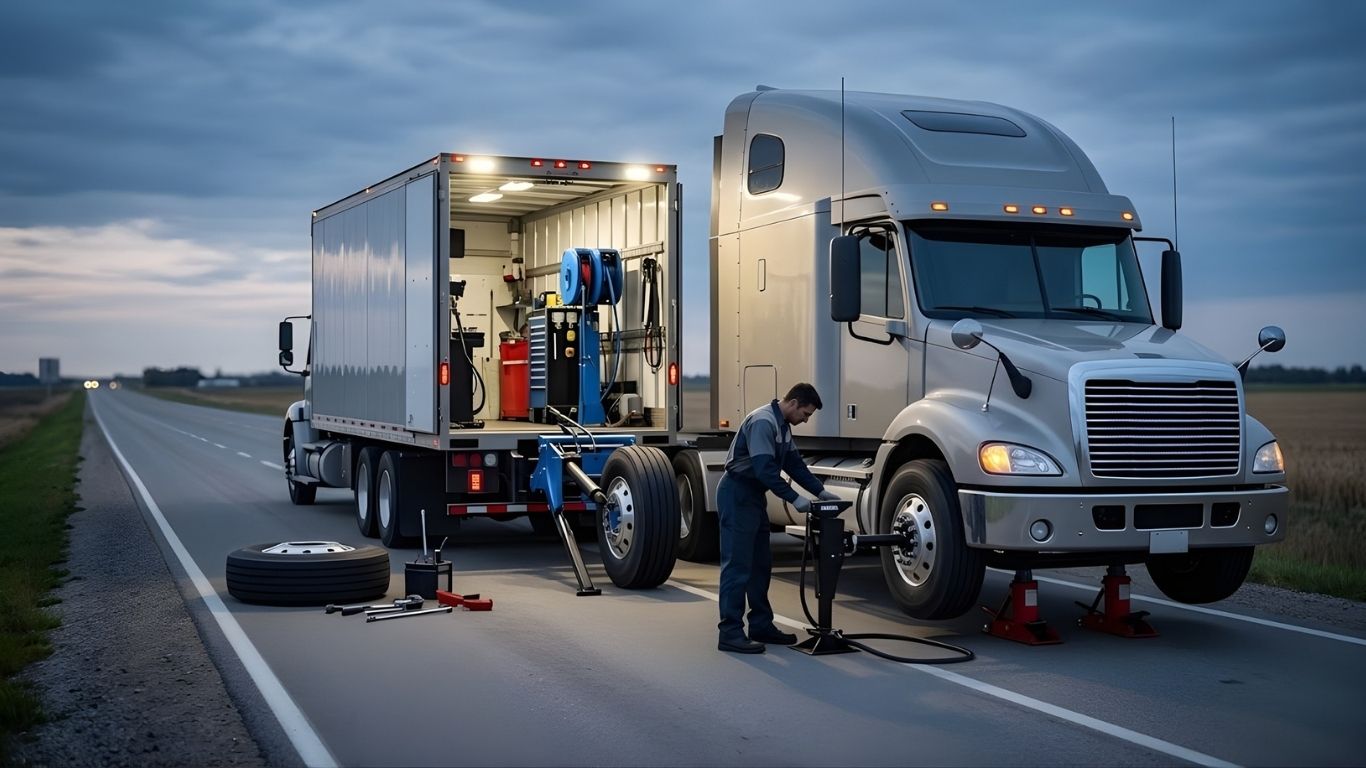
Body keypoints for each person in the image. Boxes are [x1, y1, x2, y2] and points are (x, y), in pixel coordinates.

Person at [716, 383, 838, 653]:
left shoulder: (782, 426)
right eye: (805, 414)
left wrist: (821, 492)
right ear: (793, 403)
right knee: (737, 567)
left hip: (753, 496)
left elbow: (794, 465)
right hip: (737, 493)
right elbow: (765, 470)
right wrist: (795, 499)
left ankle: (760, 625)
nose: (806, 420)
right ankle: (730, 632)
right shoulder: (763, 421)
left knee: (760, 565)